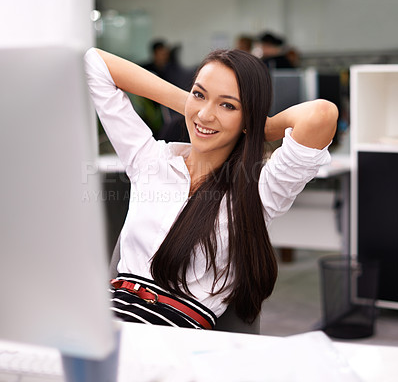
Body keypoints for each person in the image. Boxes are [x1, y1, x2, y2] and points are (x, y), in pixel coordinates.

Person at [84, 47, 337, 330]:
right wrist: (192, 106)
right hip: (107, 325)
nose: (206, 115)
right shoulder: (150, 159)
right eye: (199, 93)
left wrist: (258, 126)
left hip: (172, 344)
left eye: (228, 105)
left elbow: (321, 115)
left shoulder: (260, 189)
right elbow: (94, 62)